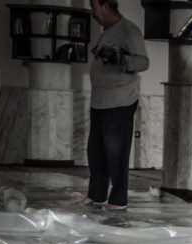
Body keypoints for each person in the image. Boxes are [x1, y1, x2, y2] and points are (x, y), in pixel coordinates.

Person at [78, 0, 149, 210]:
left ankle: (118, 200)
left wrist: (119, 57)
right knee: (96, 151)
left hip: (120, 101)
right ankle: (97, 195)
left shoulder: (128, 30)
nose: (92, 12)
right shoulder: (107, 31)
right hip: (100, 101)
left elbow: (143, 62)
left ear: (106, 5)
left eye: (94, 6)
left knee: (116, 153)